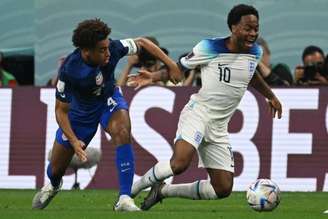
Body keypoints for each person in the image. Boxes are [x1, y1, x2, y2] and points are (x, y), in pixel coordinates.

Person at [128, 4, 282, 210]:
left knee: (223, 188)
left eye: (256, 28)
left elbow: (250, 74)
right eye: (248, 28)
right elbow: (179, 69)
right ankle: (130, 191)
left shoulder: (255, 52)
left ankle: (163, 191)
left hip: (219, 126)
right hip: (198, 114)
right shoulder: (209, 47)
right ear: (233, 27)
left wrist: (270, 95)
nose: (253, 33)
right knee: (179, 164)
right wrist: (154, 76)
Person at [31, 18, 180, 211]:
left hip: (108, 99)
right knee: (56, 169)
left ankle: (124, 198)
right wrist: (74, 140)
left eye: (107, 47)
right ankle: (53, 184)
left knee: (122, 131)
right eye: (102, 50)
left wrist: (171, 64)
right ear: (86, 51)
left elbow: (142, 42)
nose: (108, 53)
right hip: (81, 112)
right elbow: (60, 111)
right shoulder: (70, 70)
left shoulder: (113, 48)